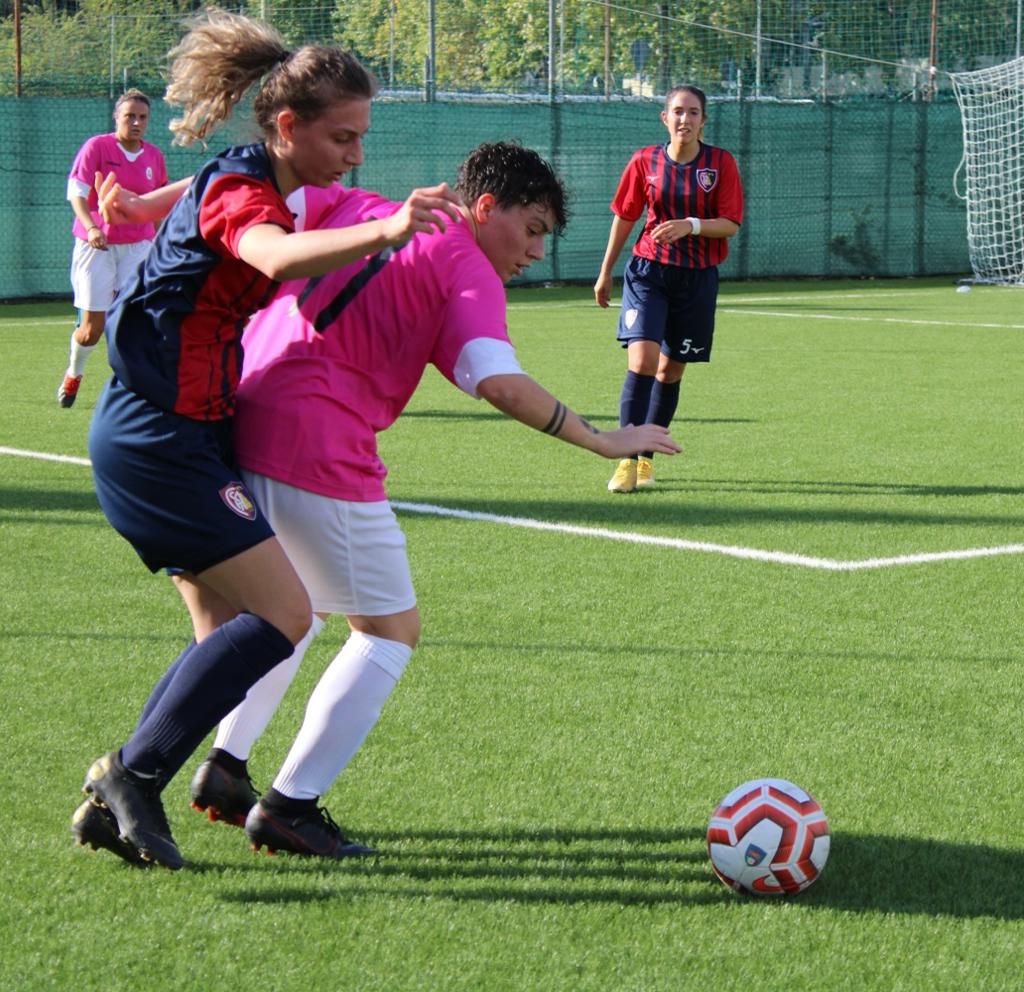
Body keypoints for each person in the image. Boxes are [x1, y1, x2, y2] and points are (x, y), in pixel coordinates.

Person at [92, 140, 678, 862]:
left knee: (280, 614)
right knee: (388, 630)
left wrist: (148, 203)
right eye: (530, 229)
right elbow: (495, 378)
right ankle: (289, 808)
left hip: (241, 422)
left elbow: (237, 193)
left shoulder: (360, 205)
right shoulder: (464, 264)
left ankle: (225, 765)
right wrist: (599, 440)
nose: (534, 251)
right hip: (319, 451)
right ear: (484, 206)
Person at [70, 9, 460, 871]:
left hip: (184, 436)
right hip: (156, 439)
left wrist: (142, 201)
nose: (356, 154)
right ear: (288, 126)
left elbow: (209, 199)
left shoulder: (248, 173)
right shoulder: (250, 195)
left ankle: (119, 796)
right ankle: (130, 772)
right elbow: (274, 257)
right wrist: (390, 229)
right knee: (284, 615)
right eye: (344, 137)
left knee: (225, 641)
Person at [594, 84, 743, 493]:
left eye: (693, 112)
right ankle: (625, 460)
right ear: (665, 118)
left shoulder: (720, 163)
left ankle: (645, 459)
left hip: (696, 278)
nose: (685, 120)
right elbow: (625, 216)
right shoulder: (645, 161)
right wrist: (606, 271)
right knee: (641, 361)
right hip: (648, 272)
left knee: (670, 369)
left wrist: (690, 225)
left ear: (703, 120)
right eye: (677, 111)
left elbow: (730, 223)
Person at [58, 89, 168, 408]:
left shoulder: (154, 156)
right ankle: (74, 372)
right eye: (129, 116)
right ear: (116, 117)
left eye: (142, 117)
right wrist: (92, 227)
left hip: (138, 247)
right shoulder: (97, 147)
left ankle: (129, 391)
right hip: (98, 247)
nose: (136, 122)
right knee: (91, 330)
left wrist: (162, 241)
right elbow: (76, 194)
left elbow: (157, 205)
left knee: (132, 323)